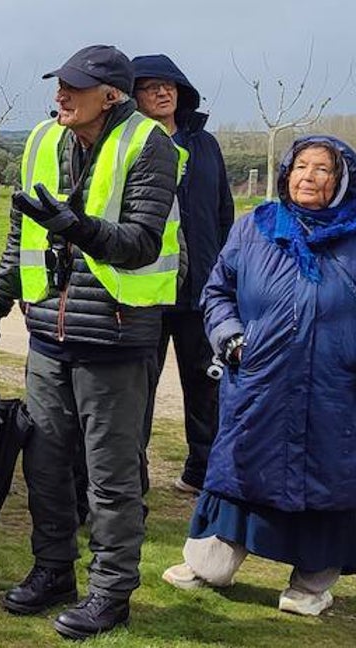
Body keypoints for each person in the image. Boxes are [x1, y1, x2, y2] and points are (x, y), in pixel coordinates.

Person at [0, 45, 178, 639]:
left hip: (116, 335)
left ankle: (111, 593)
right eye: (58, 85)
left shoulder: (149, 144)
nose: (60, 96)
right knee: (46, 465)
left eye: (74, 88)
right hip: (48, 340)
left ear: (111, 95)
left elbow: (141, 243)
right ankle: (53, 571)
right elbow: (18, 245)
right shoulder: (40, 141)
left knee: (111, 479)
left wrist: (77, 227)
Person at [163, 136, 356, 616]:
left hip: (336, 388)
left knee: (326, 483)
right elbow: (217, 291)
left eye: (322, 170)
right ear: (285, 173)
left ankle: (311, 585)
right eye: (301, 167)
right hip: (258, 379)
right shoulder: (255, 227)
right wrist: (229, 336)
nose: (308, 177)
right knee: (239, 470)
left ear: (342, 180)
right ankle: (209, 564)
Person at [131, 54, 232, 496]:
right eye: (151, 86)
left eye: (170, 85)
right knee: (138, 386)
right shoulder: (128, 142)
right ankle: (133, 473)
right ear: (133, 95)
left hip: (200, 287)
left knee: (205, 382)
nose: (163, 91)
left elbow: (223, 210)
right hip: (147, 286)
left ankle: (202, 470)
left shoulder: (205, 144)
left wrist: (228, 272)